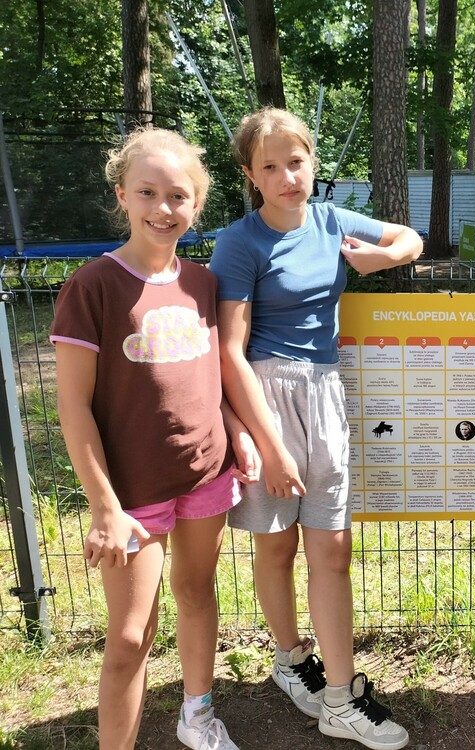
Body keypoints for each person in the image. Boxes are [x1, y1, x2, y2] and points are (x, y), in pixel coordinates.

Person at [210, 107, 422, 750]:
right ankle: (289, 657)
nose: (287, 177)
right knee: (275, 548)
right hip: (264, 396)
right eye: (270, 167)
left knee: (332, 550)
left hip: (325, 392)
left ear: (312, 163)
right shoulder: (238, 242)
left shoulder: (331, 221)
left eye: (296, 162)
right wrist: (268, 445)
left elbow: (410, 238)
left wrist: (380, 259)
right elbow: (230, 351)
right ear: (250, 175)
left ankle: (339, 698)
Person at [52, 128, 258, 750]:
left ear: (197, 204)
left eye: (178, 196)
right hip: (130, 494)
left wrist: (238, 431)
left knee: (197, 593)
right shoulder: (92, 286)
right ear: (122, 195)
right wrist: (104, 507)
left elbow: (213, 375)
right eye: (147, 192)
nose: (163, 208)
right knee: (129, 637)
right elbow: (73, 407)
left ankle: (198, 716)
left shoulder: (203, 283)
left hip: (206, 473)